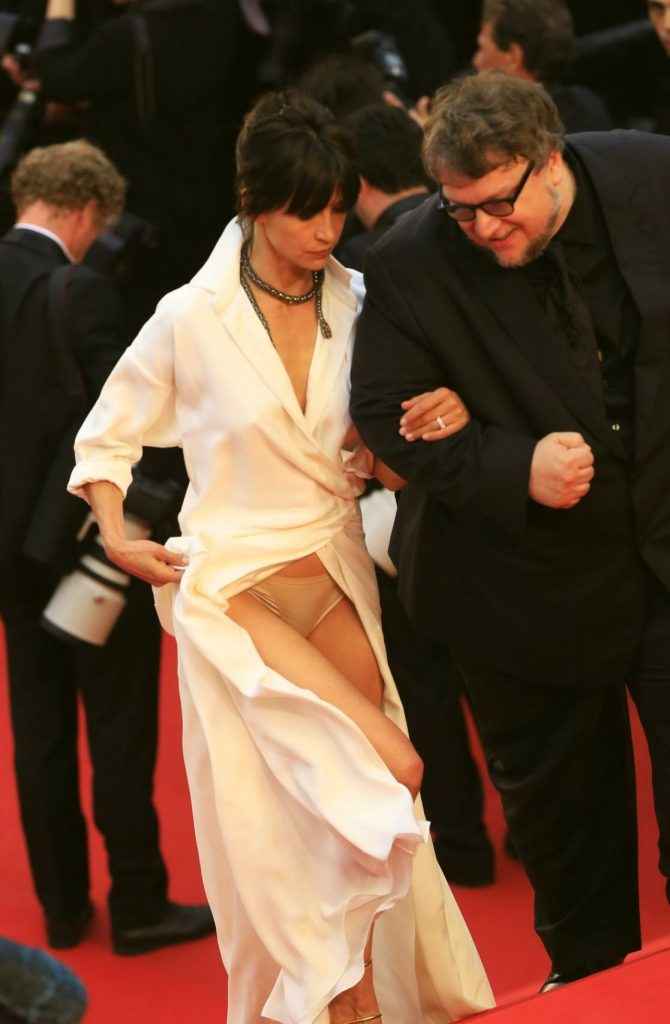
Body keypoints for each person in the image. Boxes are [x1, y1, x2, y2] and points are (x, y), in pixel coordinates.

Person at [66, 91, 494, 1023]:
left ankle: (360, 1007)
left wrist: (437, 416)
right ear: (255, 201)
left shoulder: (361, 300)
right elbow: (107, 437)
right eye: (306, 211)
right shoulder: (191, 315)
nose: (326, 230)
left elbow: (394, 439)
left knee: (361, 818)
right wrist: (119, 535)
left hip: (334, 571)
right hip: (237, 592)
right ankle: (338, 1007)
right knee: (372, 784)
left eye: (337, 208)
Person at [350, 69, 670, 992]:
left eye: (499, 203)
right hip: (523, 594)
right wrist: (508, 464)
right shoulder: (410, 260)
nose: (484, 228)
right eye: (461, 209)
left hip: (664, 554)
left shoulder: (652, 178)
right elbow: (382, 412)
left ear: (548, 157)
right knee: (575, 874)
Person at [0, 139, 214, 955]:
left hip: (9, 560)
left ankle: (61, 907)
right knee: (120, 729)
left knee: (38, 733)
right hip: (89, 547)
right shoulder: (80, 290)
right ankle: (137, 903)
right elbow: (120, 424)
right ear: (88, 210)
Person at [473, 0, 614, 133]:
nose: (476, 61)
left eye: (482, 48)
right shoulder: (589, 106)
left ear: (514, 56)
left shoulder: (509, 136)